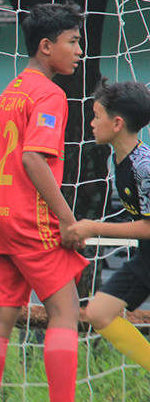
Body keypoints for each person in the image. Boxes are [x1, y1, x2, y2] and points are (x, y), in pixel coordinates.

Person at [0, 1, 90, 402]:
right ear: (46, 46)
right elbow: (34, 160)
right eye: (73, 42)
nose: (80, 52)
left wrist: (5, 190)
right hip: (28, 218)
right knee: (65, 308)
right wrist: (65, 218)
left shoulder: (12, 89)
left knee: (1, 314)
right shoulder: (50, 94)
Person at [70, 81, 150, 374]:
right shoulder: (119, 160)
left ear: (117, 123)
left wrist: (93, 228)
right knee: (97, 313)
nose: (91, 123)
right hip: (146, 260)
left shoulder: (144, 167)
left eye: (96, 115)